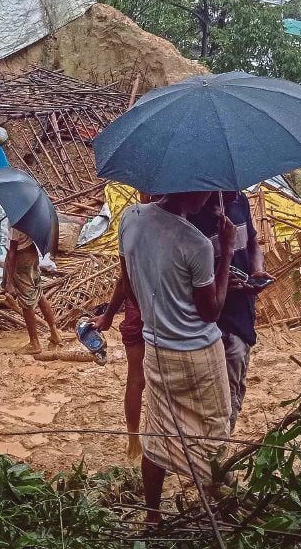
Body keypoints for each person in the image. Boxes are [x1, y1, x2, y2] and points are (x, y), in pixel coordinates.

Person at [118, 191, 235, 524]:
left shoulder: (130, 219)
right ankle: (220, 513)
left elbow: (130, 289)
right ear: (190, 188)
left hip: (156, 350)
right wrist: (225, 251)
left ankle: (152, 516)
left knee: (157, 435)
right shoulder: (196, 243)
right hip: (199, 357)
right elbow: (211, 311)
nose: (210, 196)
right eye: (205, 188)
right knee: (212, 435)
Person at [186, 191, 267, 433]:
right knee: (219, 399)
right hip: (211, 323)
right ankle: (215, 455)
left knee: (235, 388)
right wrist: (220, 274)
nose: (236, 186)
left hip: (242, 316)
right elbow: (184, 275)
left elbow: (253, 243)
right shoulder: (190, 216)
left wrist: (256, 269)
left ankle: (216, 449)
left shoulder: (239, 201)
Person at [95, 264, 147, 460]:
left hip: (137, 310)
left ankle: (134, 439)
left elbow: (123, 280)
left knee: (135, 379)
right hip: (165, 307)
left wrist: (108, 317)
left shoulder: (130, 233)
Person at [3, 228, 63, 354]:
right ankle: (54, 333)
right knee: (38, 293)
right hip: (30, 252)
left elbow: (13, 252)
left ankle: (34, 343)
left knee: (27, 301)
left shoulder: (16, 223)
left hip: (20, 258)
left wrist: (9, 282)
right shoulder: (27, 219)